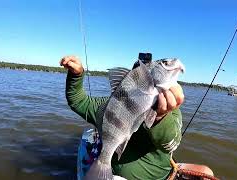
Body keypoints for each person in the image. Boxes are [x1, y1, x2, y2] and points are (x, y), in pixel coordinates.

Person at [60, 55, 213, 179]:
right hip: (115, 173)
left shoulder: (168, 108)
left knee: (206, 171)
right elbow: (78, 101)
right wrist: (76, 75)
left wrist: (161, 117)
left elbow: (171, 144)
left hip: (160, 176)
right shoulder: (111, 105)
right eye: (134, 76)